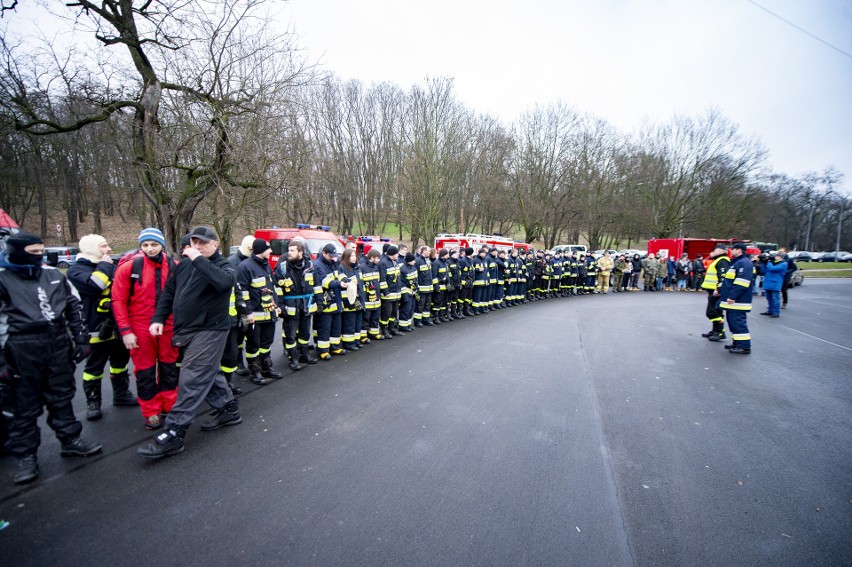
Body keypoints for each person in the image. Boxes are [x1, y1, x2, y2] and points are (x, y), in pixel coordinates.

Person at [0, 232, 102, 484]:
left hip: (56, 343)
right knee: (23, 404)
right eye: (33, 253)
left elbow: (73, 306)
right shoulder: (3, 280)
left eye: (41, 252)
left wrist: (80, 338)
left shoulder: (54, 276)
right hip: (20, 345)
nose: (40, 257)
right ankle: (26, 455)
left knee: (61, 396)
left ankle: (70, 439)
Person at [137, 226, 242, 459]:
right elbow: (169, 293)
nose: (196, 247)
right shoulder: (184, 265)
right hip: (187, 330)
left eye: (202, 243)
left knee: (192, 378)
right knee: (207, 371)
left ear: (215, 244)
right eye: (193, 243)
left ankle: (174, 433)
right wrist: (158, 318)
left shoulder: (224, 265)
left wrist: (198, 259)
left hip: (211, 329)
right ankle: (228, 409)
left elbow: (224, 283)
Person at [112, 228, 179, 430]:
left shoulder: (174, 267)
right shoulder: (129, 268)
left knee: (169, 368)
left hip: (169, 325)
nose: (150, 249)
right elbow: (118, 300)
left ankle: (170, 404)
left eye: (154, 245)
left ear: (162, 245)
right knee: (145, 371)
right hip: (140, 326)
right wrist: (126, 332)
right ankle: (151, 412)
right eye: (145, 245)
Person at [66, 234, 137, 421]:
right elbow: (95, 286)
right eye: (104, 246)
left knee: (120, 363)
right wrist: (105, 267)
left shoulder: (109, 266)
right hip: (95, 328)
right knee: (93, 368)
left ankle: (121, 394)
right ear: (91, 249)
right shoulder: (76, 271)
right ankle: (93, 403)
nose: (109, 250)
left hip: (117, 326)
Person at [237, 238, 283, 384]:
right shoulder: (245, 267)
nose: (270, 251)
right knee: (253, 345)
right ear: (261, 250)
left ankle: (266, 367)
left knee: (266, 343)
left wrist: (276, 304)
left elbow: (272, 288)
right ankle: (255, 371)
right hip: (254, 316)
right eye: (268, 249)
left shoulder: (266, 265)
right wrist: (248, 312)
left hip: (269, 313)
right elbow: (242, 293)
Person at [274, 239, 320, 369]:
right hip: (290, 305)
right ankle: (293, 358)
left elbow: (317, 286)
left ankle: (304, 354)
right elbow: (278, 290)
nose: (289, 253)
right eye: (289, 250)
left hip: (306, 305)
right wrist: (281, 306)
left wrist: (319, 302)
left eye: (292, 250)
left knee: (305, 333)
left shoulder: (310, 266)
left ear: (301, 252)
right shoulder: (282, 268)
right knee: (290, 334)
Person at [313, 243, 349, 359]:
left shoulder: (333, 263)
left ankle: (335, 347)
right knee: (325, 327)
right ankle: (323, 350)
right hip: (325, 300)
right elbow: (325, 282)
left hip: (336, 299)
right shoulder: (317, 265)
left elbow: (340, 273)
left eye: (334, 255)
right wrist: (340, 284)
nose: (333, 258)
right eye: (330, 256)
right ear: (324, 253)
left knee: (336, 325)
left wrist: (345, 280)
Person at [718, 243, 755, 354]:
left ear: (739, 250)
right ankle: (737, 342)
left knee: (738, 323)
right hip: (735, 300)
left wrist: (733, 296)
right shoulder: (739, 262)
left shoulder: (744, 263)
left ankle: (744, 346)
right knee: (733, 322)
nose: (731, 251)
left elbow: (742, 283)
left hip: (738, 301)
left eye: (732, 249)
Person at [227, 235, 255, 376]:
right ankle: (238, 362)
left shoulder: (253, 261)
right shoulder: (232, 262)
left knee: (249, 334)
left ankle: (247, 362)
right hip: (236, 308)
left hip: (248, 305)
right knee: (237, 337)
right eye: (251, 249)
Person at [701, 245, 731, 341]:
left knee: (711, 312)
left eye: (712, 251)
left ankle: (720, 331)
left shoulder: (722, 261)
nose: (711, 254)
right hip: (713, 290)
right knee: (716, 311)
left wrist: (718, 289)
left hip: (715, 291)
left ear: (718, 251)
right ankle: (715, 331)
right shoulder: (719, 260)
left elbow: (722, 276)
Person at [339, 247, 366, 349]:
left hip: (358, 298)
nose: (354, 258)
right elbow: (343, 279)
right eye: (352, 256)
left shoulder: (357, 268)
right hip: (348, 300)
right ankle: (349, 343)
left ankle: (356, 340)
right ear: (346, 257)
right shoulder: (341, 268)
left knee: (358, 321)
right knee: (349, 322)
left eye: (355, 256)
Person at [358, 248, 383, 341]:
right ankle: (363, 336)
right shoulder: (362, 267)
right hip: (367, 297)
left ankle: (374, 333)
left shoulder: (376, 267)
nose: (379, 260)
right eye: (377, 258)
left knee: (375, 316)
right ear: (372, 258)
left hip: (376, 296)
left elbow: (377, 282)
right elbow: (361, 283)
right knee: (366, 318)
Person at [760, 252, 788, 318]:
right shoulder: (772, 263)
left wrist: (769, 262)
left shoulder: (784, 264)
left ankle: (776, 312)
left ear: (782, 258)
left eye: (778, 256)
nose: (776, 257)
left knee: (775, 298)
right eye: (776, 256)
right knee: (769, 298)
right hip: (768, 282)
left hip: (775, 283)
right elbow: (763, 271)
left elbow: (772, 269)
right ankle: (770, 310)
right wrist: (763, 262)